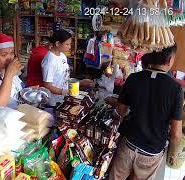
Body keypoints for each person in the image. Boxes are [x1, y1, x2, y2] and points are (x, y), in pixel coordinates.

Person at [110, 45, 183, 180]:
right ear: (169, 60)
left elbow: (121, 111)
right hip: (151, 152)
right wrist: (172, 153)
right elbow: (176, 134)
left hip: (128, 144)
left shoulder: (133, 78)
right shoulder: (175, 89)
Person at [41, 29, 95, 106]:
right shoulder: (50, 61)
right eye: (67, 44)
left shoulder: (62, 55)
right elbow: (48, 85)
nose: (69, 47)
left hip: (64, 96)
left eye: (70, 44)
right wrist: (66, 92)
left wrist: (80, 82)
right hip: (54, 101)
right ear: (57, 43)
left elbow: (64, 78)